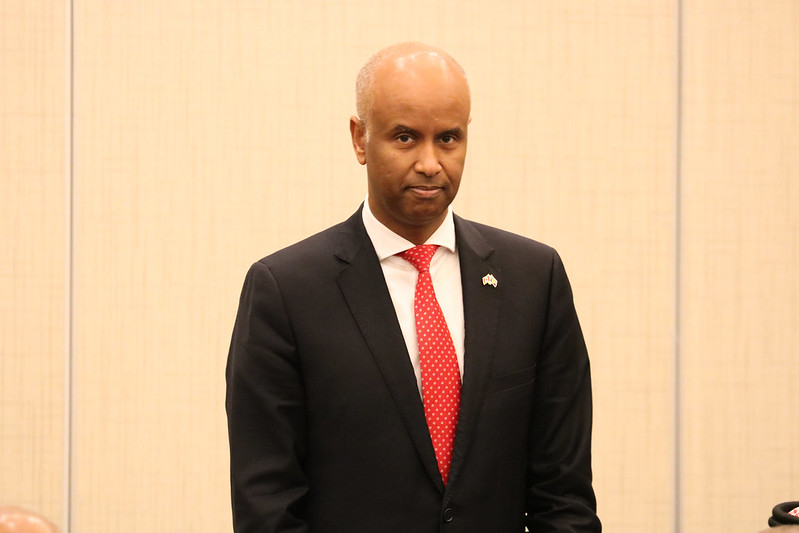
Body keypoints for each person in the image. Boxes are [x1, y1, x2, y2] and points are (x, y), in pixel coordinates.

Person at [226, 42, 600, 532]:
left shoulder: (534, 278)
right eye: (405, 137)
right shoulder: (285, 292)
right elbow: (268, 507)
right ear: (360, 139)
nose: (430, 163)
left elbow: (564, 495)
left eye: (448, 138)